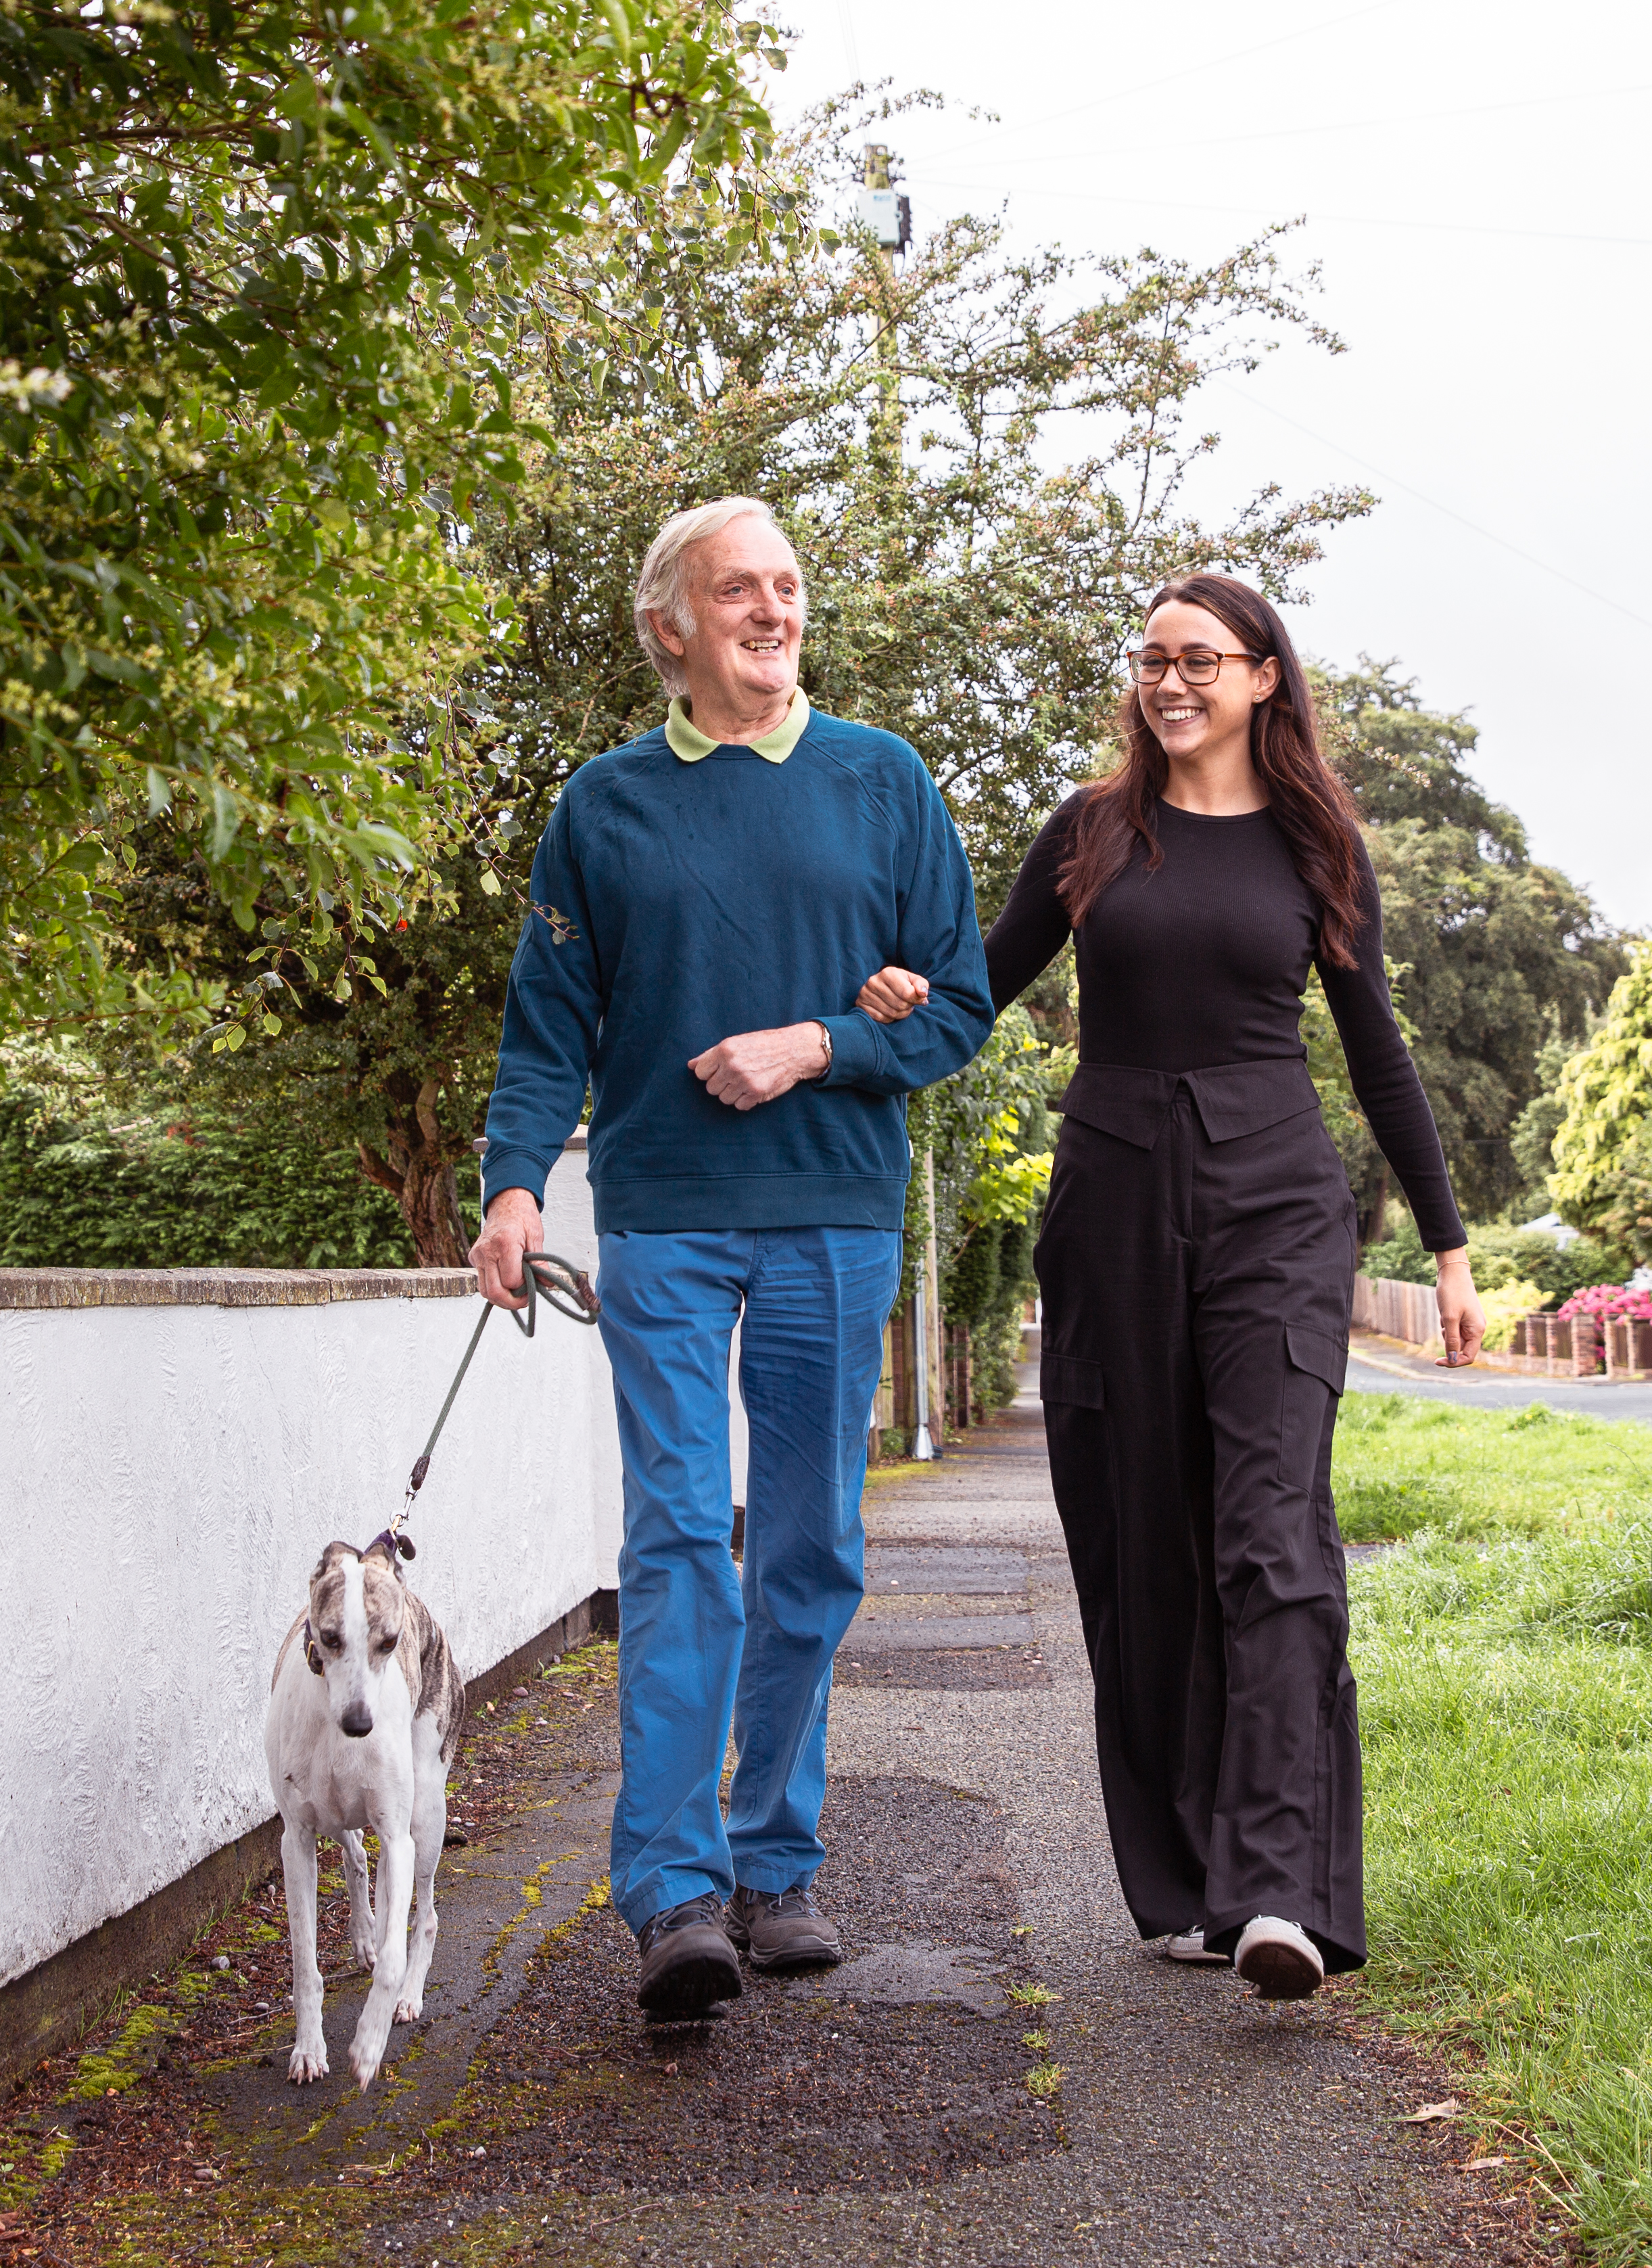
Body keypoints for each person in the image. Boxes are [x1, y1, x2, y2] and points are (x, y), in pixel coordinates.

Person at [849, 570, 1483, 2000]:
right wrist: (890, 1005)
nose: (1170, 680)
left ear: (1262, 676)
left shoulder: (1318, 845)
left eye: (1200, 658)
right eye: (1151, 659)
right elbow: (979, 991)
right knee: (1142, 1544)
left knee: (1271, 1535)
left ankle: (1280, 1889)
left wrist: (1447, 1246)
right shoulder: (1090, 832)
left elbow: (1375, 1050)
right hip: (1116, 1206)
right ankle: (1194, 1880)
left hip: (1275, 1206)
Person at [471, 496, 995, 2018]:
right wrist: (514, 1185)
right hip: (664, 1214)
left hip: (833, 1208)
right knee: (680, 1537)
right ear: (670, 627)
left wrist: (821, 1042)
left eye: (787, 584)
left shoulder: (883, 781)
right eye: (737, 590)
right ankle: (672, 1891)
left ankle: (776, 1862)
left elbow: (957, 1006)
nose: (773, 610)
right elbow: (547, 1023)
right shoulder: (604, 805)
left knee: (808, 1545)